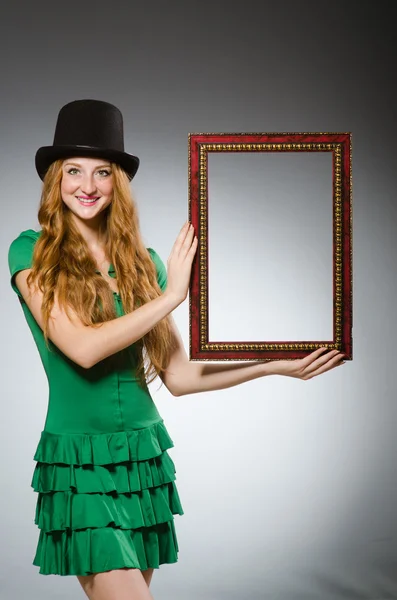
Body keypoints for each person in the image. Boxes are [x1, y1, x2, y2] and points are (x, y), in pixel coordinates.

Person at [7, 99, 345, 600]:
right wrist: (170, 298)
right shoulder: (29, 251)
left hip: (143, 457)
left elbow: (180, 377)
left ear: (118, 182)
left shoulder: (145, 264)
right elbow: (81, 348)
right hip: (79, 463)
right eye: (74, 171)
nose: (87, 185)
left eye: (103, 172)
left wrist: (275, 365)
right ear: (56, 179)